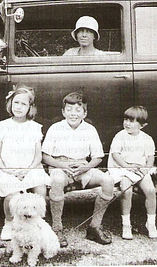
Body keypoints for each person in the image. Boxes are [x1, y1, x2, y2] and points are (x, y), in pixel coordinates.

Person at [42, 92, 114, 248]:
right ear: (63, 112)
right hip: (60, 166)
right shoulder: (55, 128)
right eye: (69, 109)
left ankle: (94, 228)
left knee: (108, 181)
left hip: (83, 166)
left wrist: (84, 168)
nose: (73, 113)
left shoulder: (90, 129)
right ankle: (57, 229)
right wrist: (63, 166)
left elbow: (98, 157)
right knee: (57, 180)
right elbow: (45, 156)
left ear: (85, 113)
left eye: (78, 110)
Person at [0, 84, 51, 240]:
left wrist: (28, 170)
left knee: (40, 187)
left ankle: (38, 221)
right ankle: (8, 223)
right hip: (8, 169)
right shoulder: (3, 125)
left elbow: (38, 156)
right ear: (10, 104)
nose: (18, 107)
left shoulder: (34, 127)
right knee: (12, 193)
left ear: (30, 108)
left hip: (29, 168)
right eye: (16, 102)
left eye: (23, 104)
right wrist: (6, 170)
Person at [108, 106, 157, 240]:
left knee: (151, 190)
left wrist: (145, 170)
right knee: (126, 190)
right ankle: (126, 224)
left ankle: (151, 223)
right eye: (125, 119)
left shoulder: (147, 139)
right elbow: (115, 155)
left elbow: (150, 158)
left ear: (142, 125)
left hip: (139, 170)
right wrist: (127, 166)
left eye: (131, 121)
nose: (127, 123)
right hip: (122, 169)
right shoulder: (120, 136)